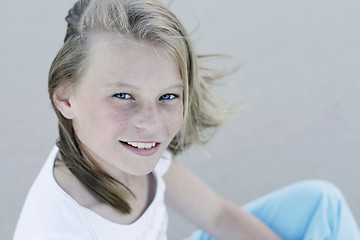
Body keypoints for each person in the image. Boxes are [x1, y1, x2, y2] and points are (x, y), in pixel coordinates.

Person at [14, 0, 360, 239]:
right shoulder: (58, 230)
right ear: (65, 98)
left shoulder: (127, 152)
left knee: (320, 204)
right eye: (123, 96)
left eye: (167, 97)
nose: (150, 123)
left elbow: (217, 216)